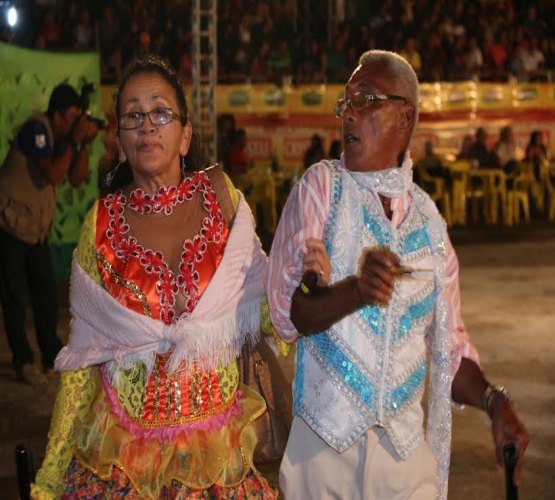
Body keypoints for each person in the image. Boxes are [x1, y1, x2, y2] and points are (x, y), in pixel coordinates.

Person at [266, 50, 528, 499]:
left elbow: (449, 350)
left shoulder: (430, 225)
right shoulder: (321, 189)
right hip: (323, 459)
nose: (349, 113)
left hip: (405, 468)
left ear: (405, 118)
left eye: (366, 99)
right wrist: (355, 290)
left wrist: (494, 402)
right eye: (345, 102)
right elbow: (290, 316)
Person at [31, 55, 276, 499]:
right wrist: (49, 479)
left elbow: (267, 311)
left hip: (218, 462)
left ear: (184, 136)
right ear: (120, 141)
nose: (147, 125)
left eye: (160, 112)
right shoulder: (99, 224)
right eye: (133, 115)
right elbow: (83, 362)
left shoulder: (226, 205)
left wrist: (304, 286)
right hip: (121, 463)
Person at [0, 83, 98, 386]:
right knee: (14, 299)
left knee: (45, 297)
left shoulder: (61, 139)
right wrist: (74, 140)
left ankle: (51, 355)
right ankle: (24, 361)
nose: (73, 125)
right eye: (70, 118)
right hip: (9, 227)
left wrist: (81, 145)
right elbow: (52, 174)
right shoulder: (36, 130)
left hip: (35, 232)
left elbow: (77, 179)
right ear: (57, 115)